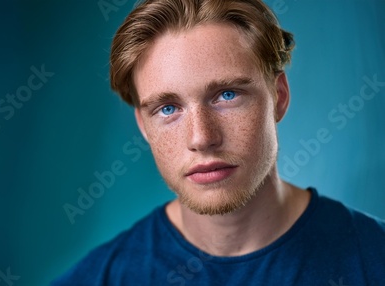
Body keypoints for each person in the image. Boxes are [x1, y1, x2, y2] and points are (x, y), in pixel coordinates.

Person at [52, 0, 385, 284]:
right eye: (168, 108)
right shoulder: (101, 278)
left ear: (278, 96)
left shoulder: (373, 257)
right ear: (143, 126)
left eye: (226, 95)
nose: (202, 138)